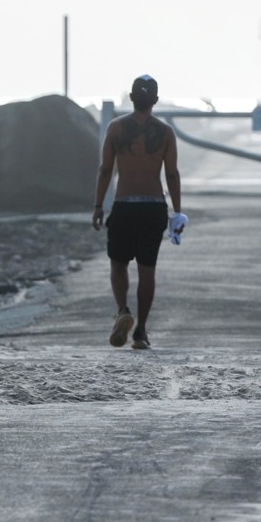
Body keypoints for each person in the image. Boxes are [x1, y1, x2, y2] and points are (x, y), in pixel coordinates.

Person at [92, 75, 184, 350]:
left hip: (125, 204)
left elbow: (106, 169)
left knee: (118, 265)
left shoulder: (117, 128)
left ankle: (123, 311)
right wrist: (177, 212)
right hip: (153, 206)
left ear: (131, 98)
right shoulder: (165, 132)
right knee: (147, 270)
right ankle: (141, 332)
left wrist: (98, 206)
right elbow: (172, 174)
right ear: (155, 100)